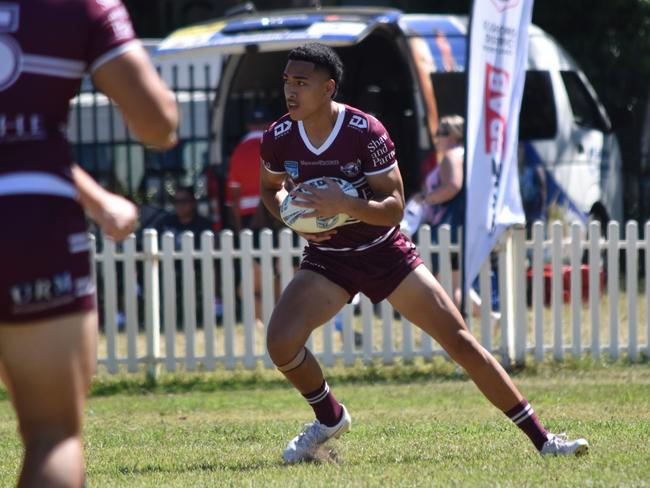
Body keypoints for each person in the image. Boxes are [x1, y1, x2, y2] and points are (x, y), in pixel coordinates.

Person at [259, 42, 588, 464]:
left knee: (462, 344)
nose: (291, 90)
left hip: (384, 252)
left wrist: (344, 205)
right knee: (281, 343)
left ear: (329, 88)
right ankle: (329, 419)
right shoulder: (279, 137)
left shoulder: (365, 131)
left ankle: (545, 441)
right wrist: (292, 218)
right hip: (330, 259)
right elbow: (270, 190)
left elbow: (394, 207)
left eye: (302, 82)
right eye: (287, 81)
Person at [0, 1, 178, 486]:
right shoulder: (80, 6)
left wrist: (96, 199)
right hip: (30, 221)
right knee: (52, 435)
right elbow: (157, 124)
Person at [419, 115, 465, 307]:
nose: (437, 137)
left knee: (445, 281)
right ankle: (490, 318)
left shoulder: (452, 156)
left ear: (455, 135)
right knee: (452, 281)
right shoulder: (464, 154)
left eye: (442, 133)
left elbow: (453, 186)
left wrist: (426, 199)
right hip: (458, 224)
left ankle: (456, 321)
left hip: (449, 224)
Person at [225, 107, 270, 232]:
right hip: (274, 214)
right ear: (269, 124)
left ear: (248, 126)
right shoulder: (277, 147)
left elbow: (234, 194)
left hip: (247, 217)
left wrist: (239, 229)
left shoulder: (237, 153)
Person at [157, 185, 214, 249]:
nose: (180, 205)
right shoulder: (165, 223)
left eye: (184, 201)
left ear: (194, 202)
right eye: (176, 201)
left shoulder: (204, 226)